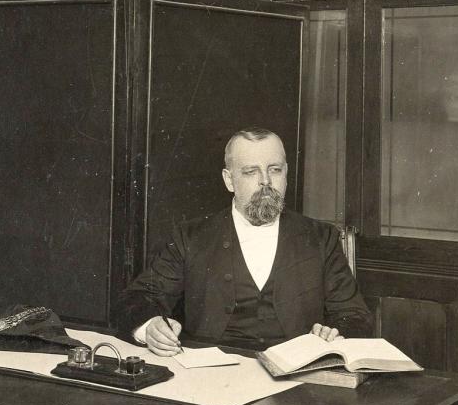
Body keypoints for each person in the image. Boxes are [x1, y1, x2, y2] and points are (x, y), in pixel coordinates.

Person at [116, 127, 372, 355]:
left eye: (275, 170)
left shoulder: (320, 238)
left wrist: (335, 334)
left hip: (298, 382)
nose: (266, 182)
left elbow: (355, 316)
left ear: (286, 174)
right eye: (251, 172)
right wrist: (151, 327)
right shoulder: (191, 237)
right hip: (212, 382)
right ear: (229, 180)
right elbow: (138, 298)